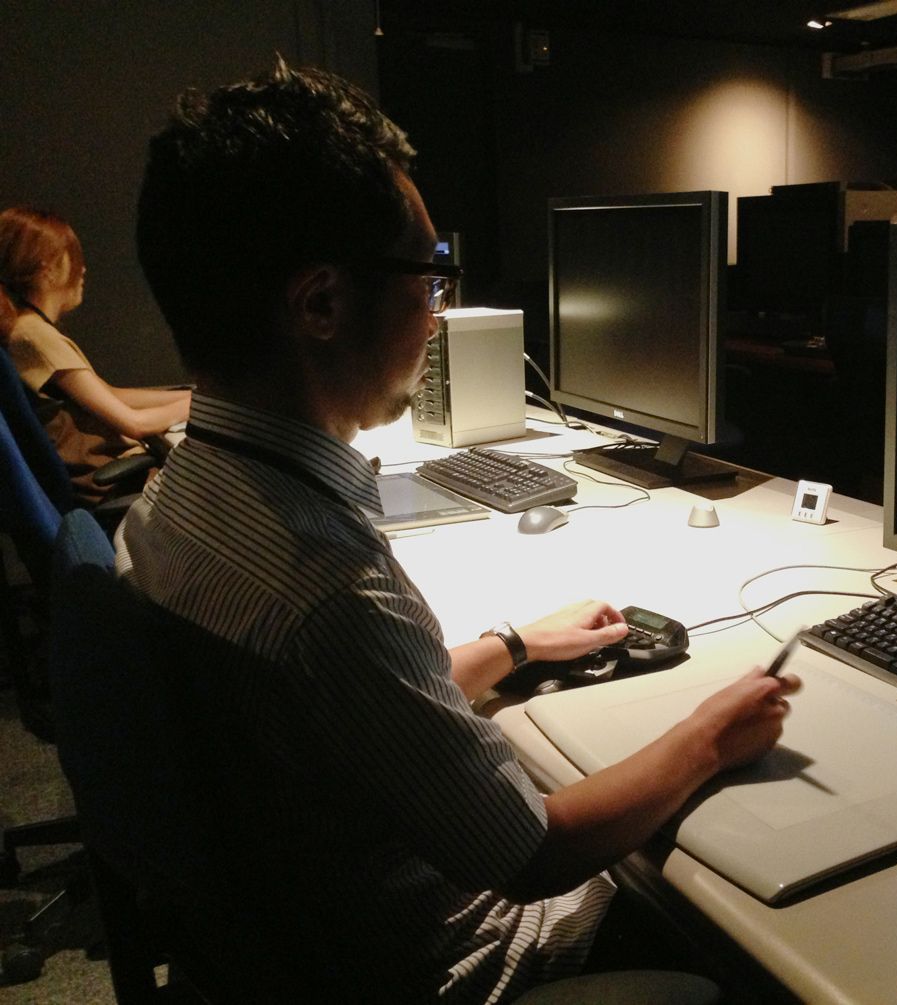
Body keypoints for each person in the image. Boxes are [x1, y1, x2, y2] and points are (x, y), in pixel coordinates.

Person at [124, 59, 800, 1003]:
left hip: (292, 950)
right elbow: (533, 851)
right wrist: (708, 736)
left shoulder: (173, 501)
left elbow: (346, 708)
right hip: (452, 966)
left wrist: (512, 645)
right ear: (320, 304)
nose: (436, 312)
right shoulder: (330, 586)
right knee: (750, 931)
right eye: (428, 276)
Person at [0, 207, 191, 503]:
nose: (83, 270)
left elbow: (109, 394)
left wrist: (188, 396)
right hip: (112, 487)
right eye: (73, 257)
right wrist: (198, 405)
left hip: (115, 477)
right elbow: (134, 423)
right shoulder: (32, 336)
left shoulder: (29, 330)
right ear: (47, 270)